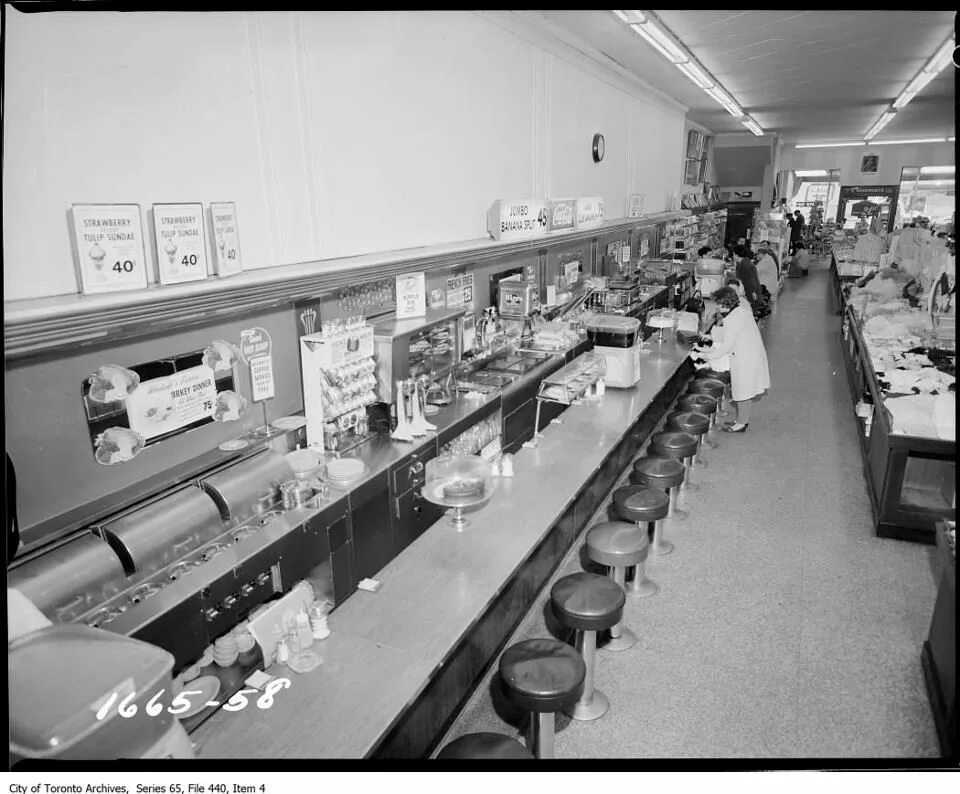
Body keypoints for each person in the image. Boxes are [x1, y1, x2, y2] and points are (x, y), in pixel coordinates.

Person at [692, 285, 771, 433]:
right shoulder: (740, 311)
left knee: (742, 392)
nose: (716, 307)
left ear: (724, 304)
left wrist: (705, 355)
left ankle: (741, 424)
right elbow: (733, 333)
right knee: (744, 391)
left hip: (745, 359)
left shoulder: (732, 319)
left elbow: (725, 347)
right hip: (749, 354)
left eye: (717, 304)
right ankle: (742, 420)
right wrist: (711, 337)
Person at [733, 244, 762, 313]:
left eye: (733, 254)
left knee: (750, 311)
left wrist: (753, 293)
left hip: (750, 291)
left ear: (737, 255)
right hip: (750, 290)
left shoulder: (744, 265)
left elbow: (750, 280)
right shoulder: (744, 262)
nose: (733, 256)